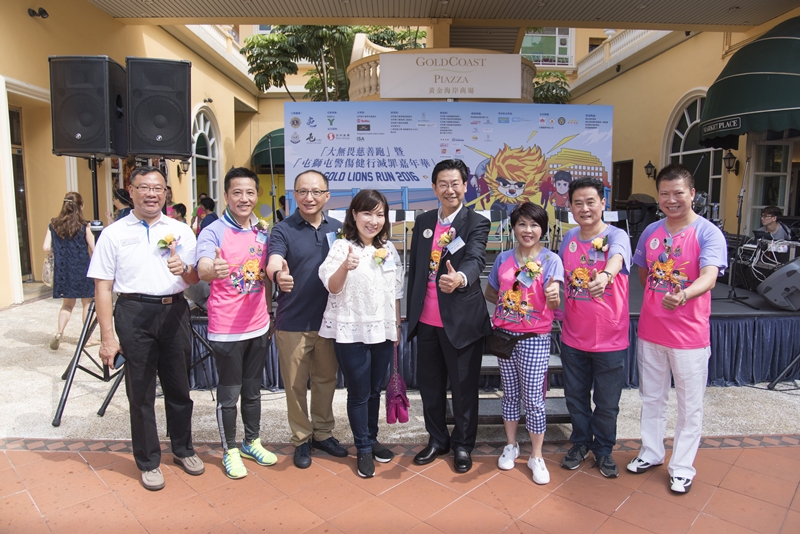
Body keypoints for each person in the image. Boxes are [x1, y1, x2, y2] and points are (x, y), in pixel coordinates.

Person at [87, 166, 204, 491]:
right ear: (131, 190)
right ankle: (148, 460)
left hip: (175, 311)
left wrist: (186, 269)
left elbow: (194, 277)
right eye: (144, 187)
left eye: (158, 188)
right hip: (133, 312)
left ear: (166, 193)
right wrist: (107, 338)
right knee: (140, 393)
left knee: (179, 387)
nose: (152, 194)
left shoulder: (181, 230)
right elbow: (102, 287)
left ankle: (183, 449)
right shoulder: (113, 233)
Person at [627, 164, 727, 494]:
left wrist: (684, 294)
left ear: (692, 194)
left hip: (689, 338)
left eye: (678, 193)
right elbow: (644, 275)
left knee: (689, 406)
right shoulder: (651, 231)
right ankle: (651, 452)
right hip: (651, 332)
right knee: (652, 398)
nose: (671, 200)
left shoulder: (707, 233)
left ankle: (682, 467)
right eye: (665, 194)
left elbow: (710, 277)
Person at [406, 159, 492, 474]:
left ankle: (463, 445)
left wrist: (460, 278)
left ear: (465, 186)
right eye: (443, 184)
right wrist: (410, 314)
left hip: (461, 321)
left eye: (455, 183)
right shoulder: (424, 221)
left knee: (464, 388)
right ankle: (437, 439)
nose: (450, 189)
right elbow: (416, 269)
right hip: (426, 320)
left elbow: (476, 258)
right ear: (434, 187)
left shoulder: (476, 222)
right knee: (430, 386)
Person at [196, 167, 276, 480]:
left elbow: (265, 275)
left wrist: (268, 313)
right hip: (227, 329)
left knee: (253, 391)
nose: (244, 198)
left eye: (250, 192)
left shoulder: (262, 230)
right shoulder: (213, 231)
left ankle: (251, 441)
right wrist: (210, 268)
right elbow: (204, 265)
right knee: (229, 395)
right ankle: (229, 449)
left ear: (256, 195)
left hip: (259, 325)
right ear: (226, 196)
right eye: (237, 193)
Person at [265, 169, 348, 469]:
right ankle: (301, 438)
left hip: (330, 321)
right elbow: (274, 260)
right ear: (294, 195)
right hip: (293, 322)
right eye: (302, 191)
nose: (309, 197)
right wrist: (278, 274)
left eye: (316, 192)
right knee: (295, 385)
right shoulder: (282, 229)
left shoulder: (339, 229)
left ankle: (323, 433)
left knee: (326, 381)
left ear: (327, 196)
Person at [318, 190, 403, 478]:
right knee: (359, 393)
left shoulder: (388, 249)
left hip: (382, 330)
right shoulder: (341, 247)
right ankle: (363, 447)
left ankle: (372, 437)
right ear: (354, 215)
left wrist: (396, 326)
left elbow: (396, 291)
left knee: (375, 391)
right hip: (351, 332)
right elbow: (332, 286)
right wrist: (345, 266)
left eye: (380, 214)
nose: (373, 220)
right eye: (367, 213)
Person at [558, 177, 631, 478]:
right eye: (578, 203)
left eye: (591, 202)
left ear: (603, 203)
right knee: (575, 398)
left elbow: (617, 259)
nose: (585, 208)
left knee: (607, 403)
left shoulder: (617, 235)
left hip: (610, 339)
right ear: (570, 206)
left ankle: (603, 449)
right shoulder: (568, 238)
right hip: (573, 337)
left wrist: (605, 276)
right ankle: (580, 443)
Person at [485, 202, 563, 484]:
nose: (527, 230)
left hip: (535, 338)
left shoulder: (551, 260)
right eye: (522, 224)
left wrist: (553, 298)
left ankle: (537, 456)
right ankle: (511, 445)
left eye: (534, 225)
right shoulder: (503, 258)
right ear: (513, 227)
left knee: (533, 399)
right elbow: (490, 291)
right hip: (505, 337)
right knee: (509, 395)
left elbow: (554, 301)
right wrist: (509, 306)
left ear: (543, 229)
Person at [43, 192, 96, 350]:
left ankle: (59, 332)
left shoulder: (53, 225)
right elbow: (94, 249)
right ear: (81, 206)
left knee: (67, 305)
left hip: (63, 269)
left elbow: (46, 247)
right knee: (87, 303)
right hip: (82, 268)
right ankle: (88, 338)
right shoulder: (85, 226)